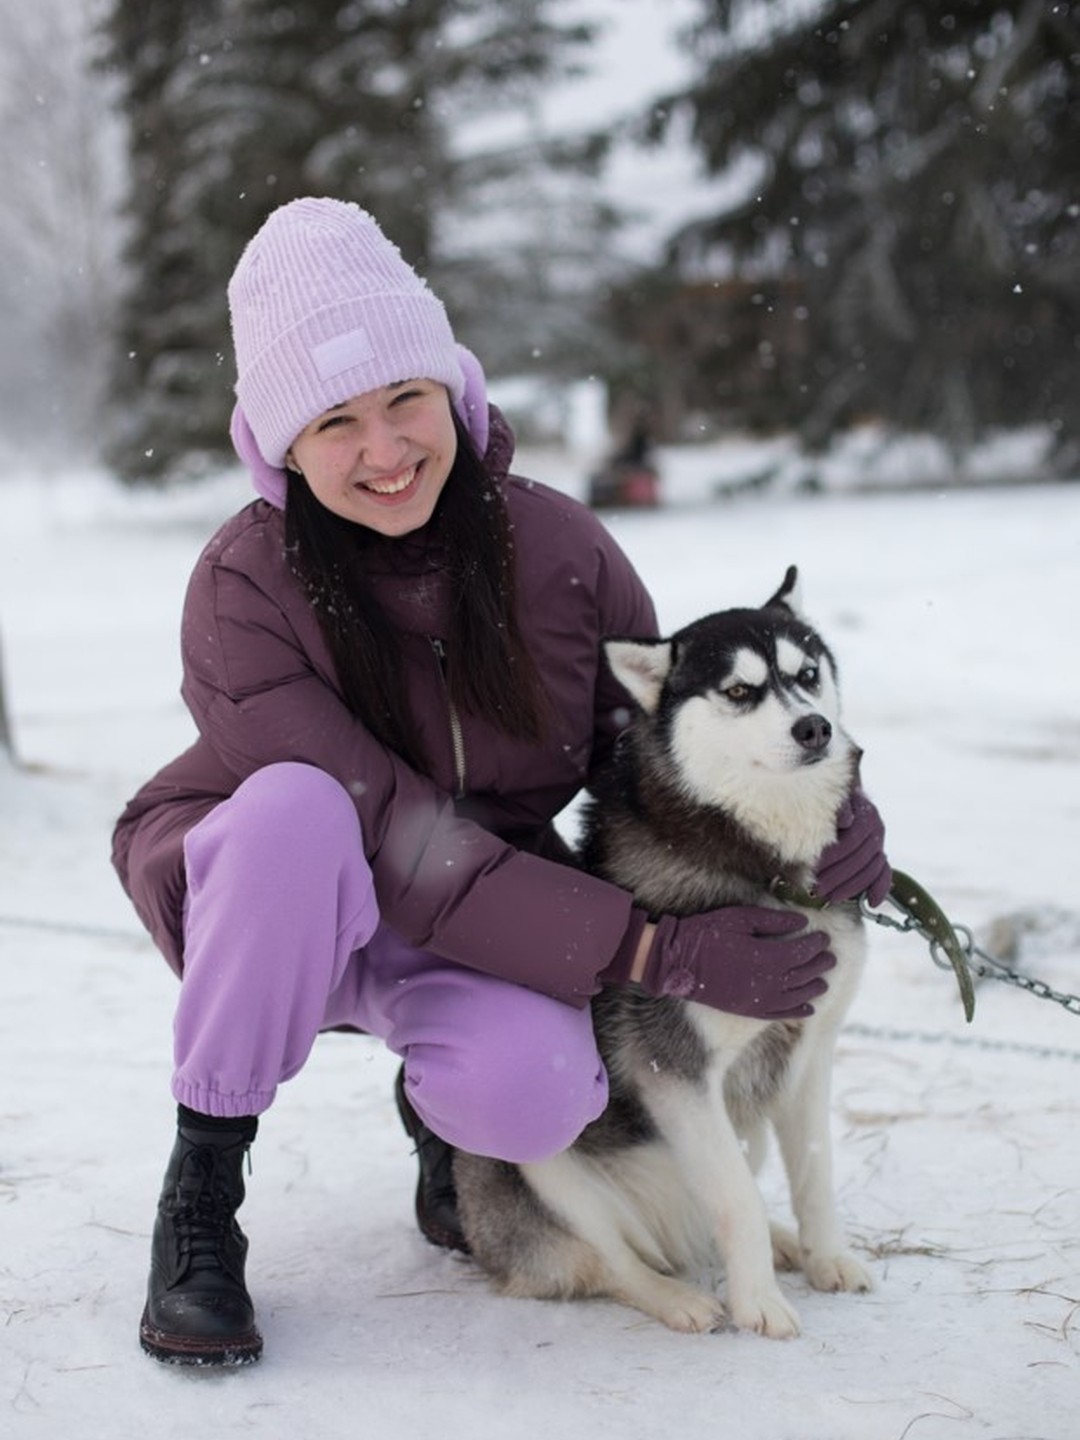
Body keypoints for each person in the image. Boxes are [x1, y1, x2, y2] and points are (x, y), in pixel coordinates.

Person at [111, 197, 890, 1368]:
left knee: (538, 1098)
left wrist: (830, 820)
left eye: (404, 401)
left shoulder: (562, 554)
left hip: (483, 905)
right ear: (279, 444)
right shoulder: (242, 588)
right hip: (277, 900)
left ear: (457, 393)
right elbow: (393, 833)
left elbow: (661, 741)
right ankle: (203, 1186)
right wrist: (646, 951)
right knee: (296, 811)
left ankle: (446, 1130)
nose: (384, 451)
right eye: (335, 421)